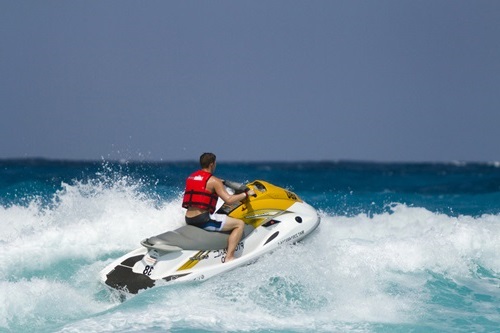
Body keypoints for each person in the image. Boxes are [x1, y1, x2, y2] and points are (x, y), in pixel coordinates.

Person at [182, 153, 255, 262]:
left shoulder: (191, 177)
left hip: (188, 218)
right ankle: (229, 257)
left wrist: (219, 183)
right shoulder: (214, 181)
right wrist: (246, 194)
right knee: (239, 224)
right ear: (212, 164)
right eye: (215, 163)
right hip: (203, 220)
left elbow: (203, 187)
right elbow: (229, 200)